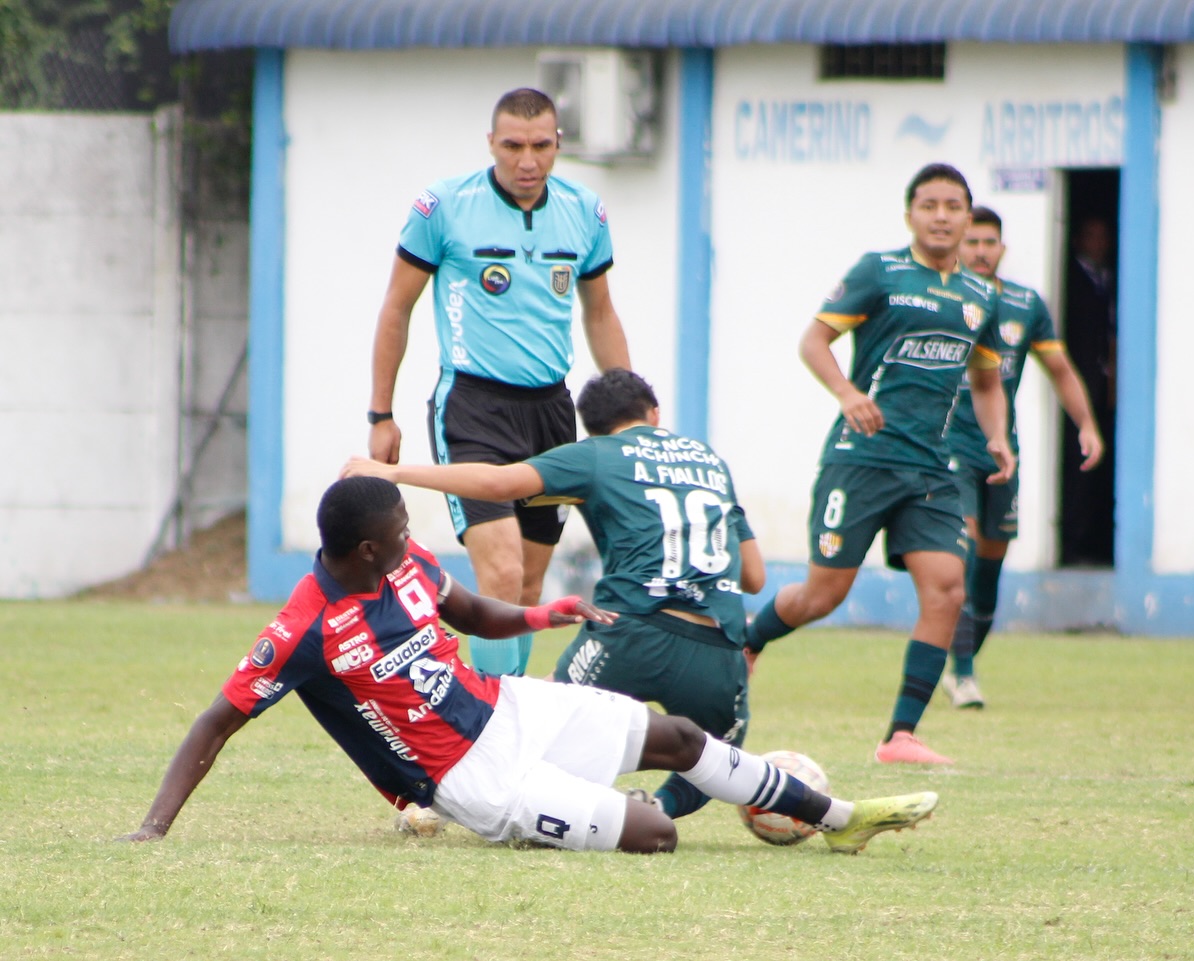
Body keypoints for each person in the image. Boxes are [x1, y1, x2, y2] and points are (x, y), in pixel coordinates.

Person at [117, 476, 938, 855]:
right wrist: (153, 829)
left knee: (681, 735)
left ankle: (841, 818)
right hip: (474, 779)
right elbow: (216, 720)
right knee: (654, 834)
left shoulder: (404, 567)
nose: (415, 534)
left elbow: (472, 612)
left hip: (510, 706)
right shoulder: (304, 628)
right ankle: (567, 814)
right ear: (366, 547)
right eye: (403, 527)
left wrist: (548, 613)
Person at [344, 369, 763, 820]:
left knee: (543, 719)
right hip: (717, 646)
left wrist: (395, 472)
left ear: (595, 428)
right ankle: (658, 806)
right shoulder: (708, 459)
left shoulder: (599, 454)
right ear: (654, 414)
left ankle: (444, 802)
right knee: (719, 750)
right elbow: (754, 576)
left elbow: (499, 484)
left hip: (631, 632)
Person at [742, 163, 1016, 766]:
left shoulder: (981, 297)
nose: (941, 216)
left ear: (969, 217)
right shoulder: (880, 272)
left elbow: (988, 379)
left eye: (952, 206)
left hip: (931, 471)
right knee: (822, 595)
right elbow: (814, 340)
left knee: (946, 588)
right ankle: (748, 640)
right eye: (929, 205)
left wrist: (998, 436)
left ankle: (900, 736)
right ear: (909, 215)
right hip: (861, 460)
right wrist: (846, 393)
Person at [366, 87, 631, 678]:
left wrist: (625, 419)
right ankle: (483, 732)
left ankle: (502, 713)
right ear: (491, 144)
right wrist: (380, 414)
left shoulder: (585, 211)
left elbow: (600, 312)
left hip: (552, 414)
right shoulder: (444, 207)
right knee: (503, 573)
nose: (527, 160)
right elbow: (396, 309)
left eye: (541, 145)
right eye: (512, 145)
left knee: (531, 585)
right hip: (472, 408)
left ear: (558, 143)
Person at [940, 206, 1105, 709]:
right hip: (948, 448)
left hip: (1000, 451)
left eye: (990, 242)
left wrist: (1087, 424)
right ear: (959, 247)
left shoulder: (1024, 304)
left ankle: (962, 665)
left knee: (989, 567)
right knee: (962, 551)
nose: (981, 251)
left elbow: (1059, 368)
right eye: (973, 243)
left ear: (1003, 248)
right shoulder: (939, 298)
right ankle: (962, 673)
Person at [1060, 214, 1117, 567]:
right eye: (1091, 235)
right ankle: (1071, 542)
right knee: (1075, 463)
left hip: (1100, 386)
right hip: (1076, 386)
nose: (1098, 243)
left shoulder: (1108, 279)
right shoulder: (1072, 281)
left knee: (1098, 465)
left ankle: (1093, 539)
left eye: (1104, 236)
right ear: (1078, 240)